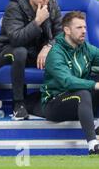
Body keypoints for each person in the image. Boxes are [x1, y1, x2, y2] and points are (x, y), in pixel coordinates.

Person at [0, 0, 62, 120]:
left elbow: (61, 34)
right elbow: (16, 39)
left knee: (62, 50)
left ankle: (59, 98)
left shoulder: (52, 4)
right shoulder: (15, 6)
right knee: (20, 52)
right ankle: (18, 104)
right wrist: (37, 22)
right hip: (7, 51)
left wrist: (49, 46)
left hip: (37, 52)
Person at [41, 11, 99, 154]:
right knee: (83, 93)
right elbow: (68, 82)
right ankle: (93, 144)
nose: (84, 31)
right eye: (79, 28)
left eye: (85, 27)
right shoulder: (56, 53)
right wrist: (94, 85)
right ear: (67, 30)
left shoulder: (85, 48)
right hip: (55, 103)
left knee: (86, 90)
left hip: (79, 103)